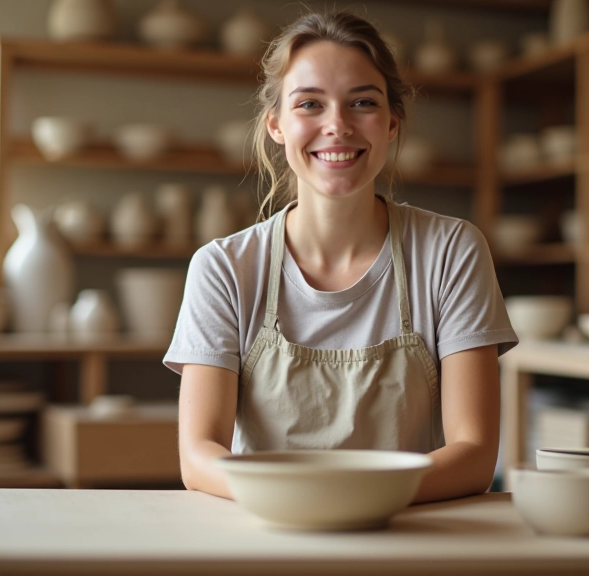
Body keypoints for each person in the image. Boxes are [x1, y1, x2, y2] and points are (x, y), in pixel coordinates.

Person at [163, 10, 518, 504]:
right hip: (266, 537)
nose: (337, 125)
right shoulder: (223, 268)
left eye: (362, 102)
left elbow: (475, 453)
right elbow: (198, 456)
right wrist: (312, 500)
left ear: (391, 123)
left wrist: (343, 499)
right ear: (277, 125)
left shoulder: (451, 251)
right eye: (309, 103)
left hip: (409, 539)